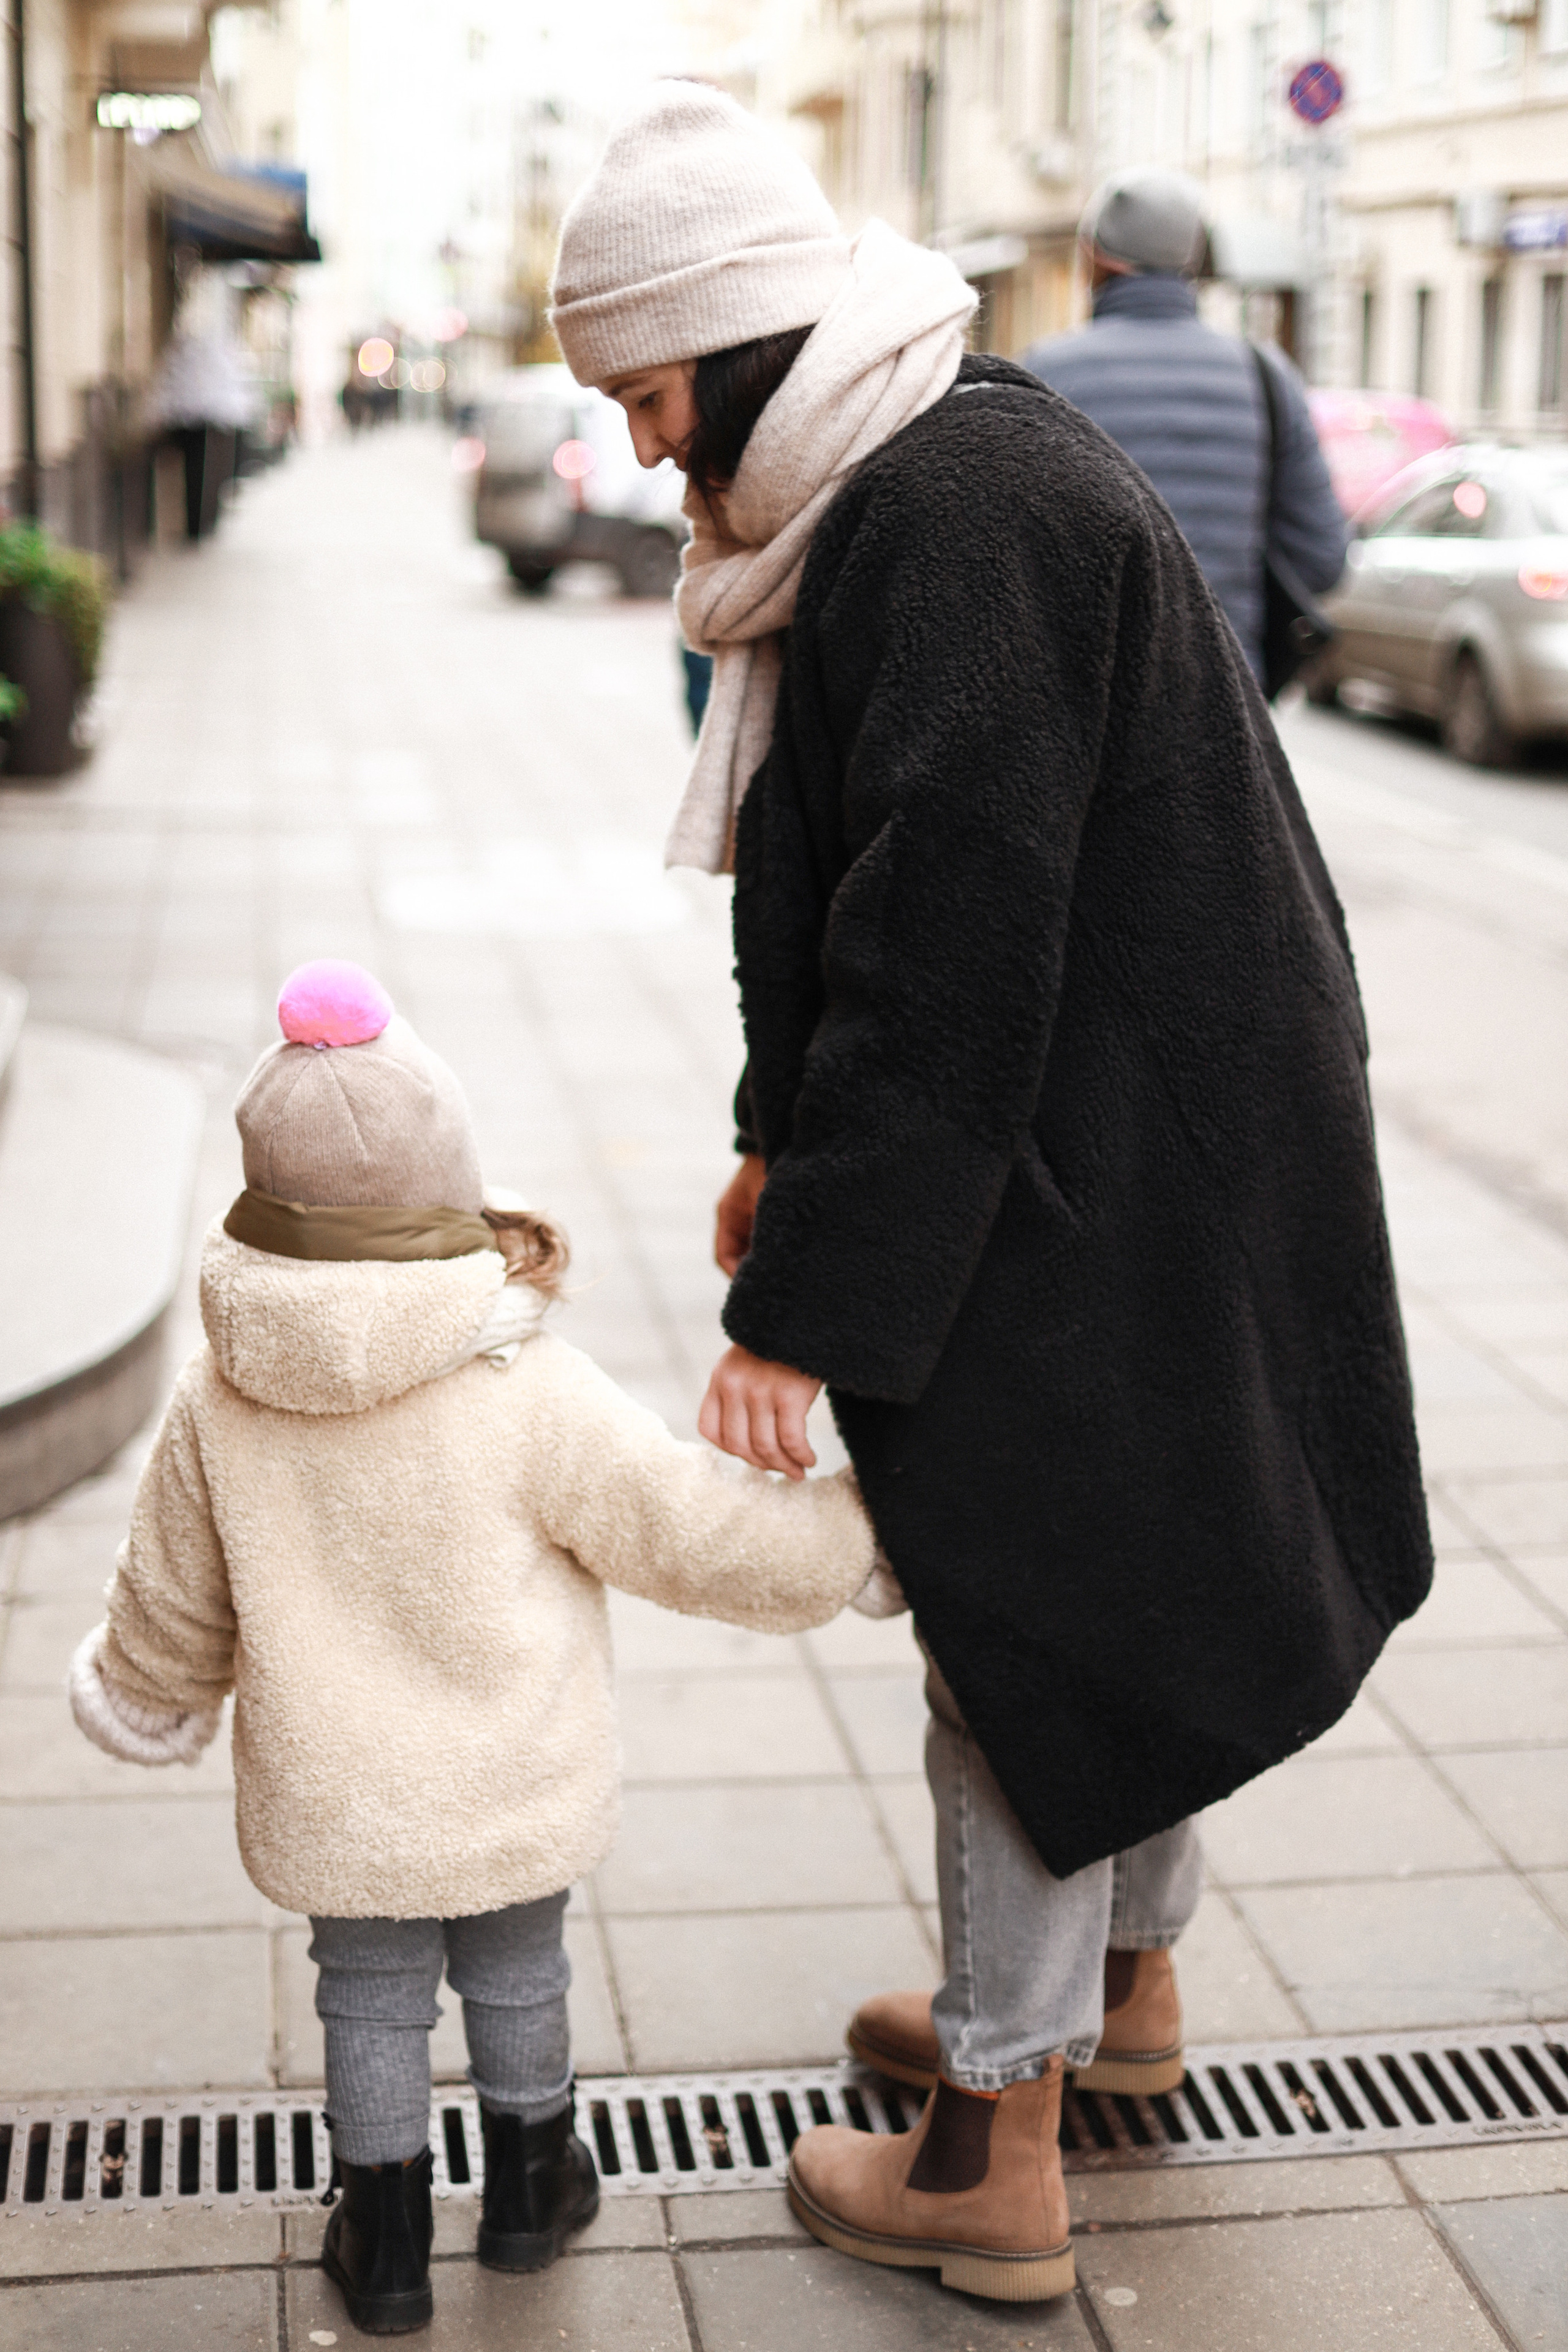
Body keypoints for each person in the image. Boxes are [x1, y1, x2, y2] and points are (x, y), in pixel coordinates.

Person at [551, 86, 1431, 2307]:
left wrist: (801, 1315)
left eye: (651, 398)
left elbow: (936, 970)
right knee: (1142, 1570)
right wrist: (782, 1140)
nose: (654, 455)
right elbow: (857, 905)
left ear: (740, 344)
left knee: (1018, 1608)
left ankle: (988, 2143)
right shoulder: (918, 462)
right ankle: (1111, 2013)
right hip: (1145, 1130)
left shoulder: (944, 511)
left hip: (1109, 1153)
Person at [68, 957, 876, 2338]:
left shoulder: (222, 1397)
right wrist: (855, 1540)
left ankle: (381, 2240)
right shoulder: (524, 1381)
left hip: (340, 1795)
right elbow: (683, 1527)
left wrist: (143, 1695)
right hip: (512, 1776)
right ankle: (526, 2186)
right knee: (518, 1972)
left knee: (367, 1993)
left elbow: (173, 1591)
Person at [1023, 167, 1347, 689]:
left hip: (1083, 695)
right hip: (1225, 692)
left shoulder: (1045, 375)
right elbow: (1324, 559)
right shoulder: (1266, 377)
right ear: (1194, 263)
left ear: (1093, 256)